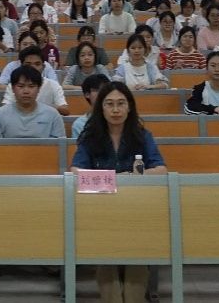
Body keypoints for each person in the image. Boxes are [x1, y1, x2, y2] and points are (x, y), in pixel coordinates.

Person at [70, 81, 165, 301]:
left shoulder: (143, 136)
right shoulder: (90, 137)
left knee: (137, 255)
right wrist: (111, 181)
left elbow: (161, 170)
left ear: (129, 107)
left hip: (137, 210)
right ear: (101, 108)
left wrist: (132, 177)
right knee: (106, 256)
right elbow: (75, 171)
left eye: (121, 103)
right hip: (100, 210)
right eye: (109, 104)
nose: (115, 110)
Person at [0, 66, 65, 139]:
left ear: (39, 89)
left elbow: (59, 146)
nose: (26, 91)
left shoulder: (52, 115)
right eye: (20, 86)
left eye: (31, 86)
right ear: (12, 88)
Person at [0, 47, 69, 114]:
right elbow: (5, 108)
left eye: (37, 64)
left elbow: (65, 110)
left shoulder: (53, 85)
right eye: (28, 64)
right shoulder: (15, 85)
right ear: (21, 66)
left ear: (43, 67)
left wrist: (40, 108)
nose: (33, 67)